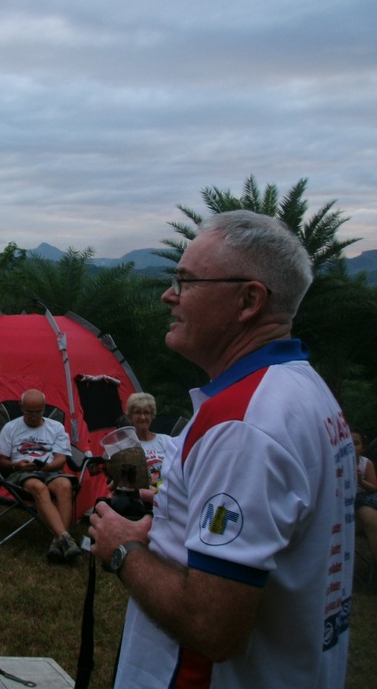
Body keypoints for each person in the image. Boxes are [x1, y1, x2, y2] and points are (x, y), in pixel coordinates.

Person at [88, 210, 353, 688]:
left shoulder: (243, 423)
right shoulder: (306, 392)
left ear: (248, 300)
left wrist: (122, 548)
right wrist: (169, 512)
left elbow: (212, 626)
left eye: (186, 281)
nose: (169, 295)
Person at [0, 388, 81, 562]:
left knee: (65, 486)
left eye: (38, 412)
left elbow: (61, 459)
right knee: (39, 487)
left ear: (44, 408)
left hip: (50, 470)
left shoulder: (56, 427)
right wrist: (16, 465)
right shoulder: (10, 428)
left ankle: (58, 542)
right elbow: (2, 461)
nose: (34, 416)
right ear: (21, 407)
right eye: (29, 412)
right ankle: (65, 539)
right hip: (21, 473)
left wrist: (47, 467)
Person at [125, 391, 175, 490]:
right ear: (130, 416)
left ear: (152, 416)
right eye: (138, 412)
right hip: (145, 495)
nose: (143, 417)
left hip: (170, 492)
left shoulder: (167, 441)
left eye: (146, 412)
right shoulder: (126, 447)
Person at [354, 430, 377, 568]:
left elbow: (374, 487)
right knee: (370, 517)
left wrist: (361, 481)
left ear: (363, 448)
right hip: (350, 505)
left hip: (364, 499)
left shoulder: (365, 463)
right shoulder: (333, 462)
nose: (351, 447)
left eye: (356, 443)